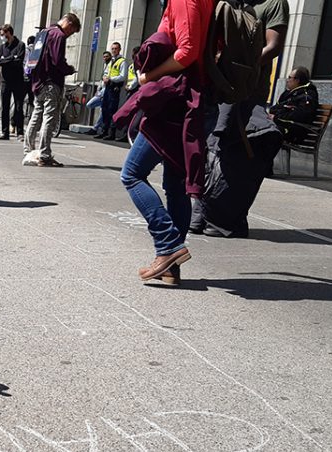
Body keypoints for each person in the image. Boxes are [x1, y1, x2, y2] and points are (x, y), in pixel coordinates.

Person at [114, 0, 215, 285]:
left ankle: (168, 244)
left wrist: (148, 76)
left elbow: (187, 52)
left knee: (132, 174)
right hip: (192, 99)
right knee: (175, 186)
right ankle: (171, 269)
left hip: (176, 100)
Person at [22, 14, 80, 167]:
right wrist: (69, 69)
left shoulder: (45, 32)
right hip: (51, 82)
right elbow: (57, 61)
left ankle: (28, 149)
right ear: (69, 23)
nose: (70, 34)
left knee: (36, 115)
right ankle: (44, 154)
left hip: (38, 82)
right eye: (72, 31)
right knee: (49, 117)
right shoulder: (58, 35)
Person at [269, 66, 318, 145]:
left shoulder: (307, 95)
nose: (287, 80)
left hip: (294, 133)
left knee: (264, 132)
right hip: (282, 126)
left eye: (289, 77)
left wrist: (276, 117)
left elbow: (299, 116)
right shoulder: (287, 93)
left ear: (297, 80)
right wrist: (284, 108)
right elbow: (273, 109)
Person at [0, 24, 26, 140]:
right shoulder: (1, 48)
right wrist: (11, 58)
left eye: (3, 34)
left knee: (18, 107)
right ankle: (5, 132)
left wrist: (5, 60)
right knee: (5, 107)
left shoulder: (20, 45)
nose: (2, 37)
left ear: (9, 33)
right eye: (1, 35)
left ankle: (20, 132)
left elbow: (19, 61)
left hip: (18, 81)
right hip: (5, 81)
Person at [95, 42, 127, 140]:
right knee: (104, 109)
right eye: (112, 49)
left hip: (114, 88)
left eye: (116, 49)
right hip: (108, 87)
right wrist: (104, 78)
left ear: (119, 49)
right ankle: (104, 131)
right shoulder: (111, 61)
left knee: (112, 110)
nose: (113, 50)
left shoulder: (122, 61)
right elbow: (106, 72)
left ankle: (111, 133)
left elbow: (123, 76)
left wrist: (111, 79)